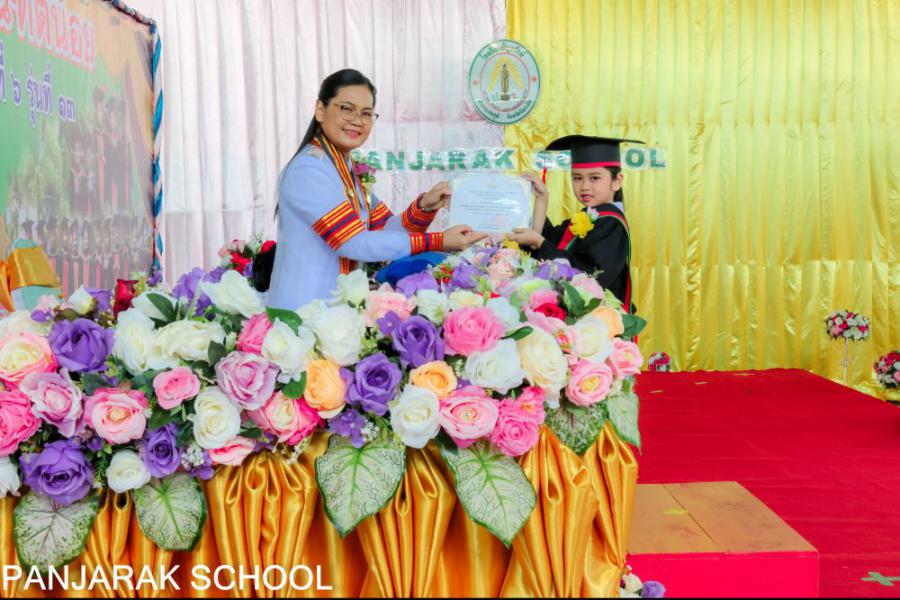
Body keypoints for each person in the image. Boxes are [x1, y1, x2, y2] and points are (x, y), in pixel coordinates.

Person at [266, 69, 486, 310]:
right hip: (303, 312)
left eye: (366, 113)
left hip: (335, 312)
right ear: (320, 110)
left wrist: (425, 207)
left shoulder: (345, 167)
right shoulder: (309, 169)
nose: (357, 121)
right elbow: (354, 243)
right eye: (347, 109)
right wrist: (438, 241)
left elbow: (384, 231)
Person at [508, 135, 640, 312]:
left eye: (594, 178)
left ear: (616, 181)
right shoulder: (589, 216)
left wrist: (540, 243)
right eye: (577, 178)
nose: (584, 186)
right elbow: (549, 240)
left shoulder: (611, 223)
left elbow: (588, 276)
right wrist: (541, 199)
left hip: (598, 318)